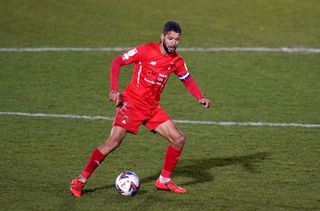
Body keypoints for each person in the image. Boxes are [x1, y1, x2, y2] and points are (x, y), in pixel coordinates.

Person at [70, 20, 211, 197]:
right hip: (131, 104)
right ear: (162, 37)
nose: (173, 43)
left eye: (177, 39)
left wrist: (200, 97)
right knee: (113, 142)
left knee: (178, 139)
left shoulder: (176, 61)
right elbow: (116, 62)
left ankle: (164, 181)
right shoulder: (145, 51)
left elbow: (187, 79)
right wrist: (114, 89)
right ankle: (79, 181)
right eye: (170, 38)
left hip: (152, 109)